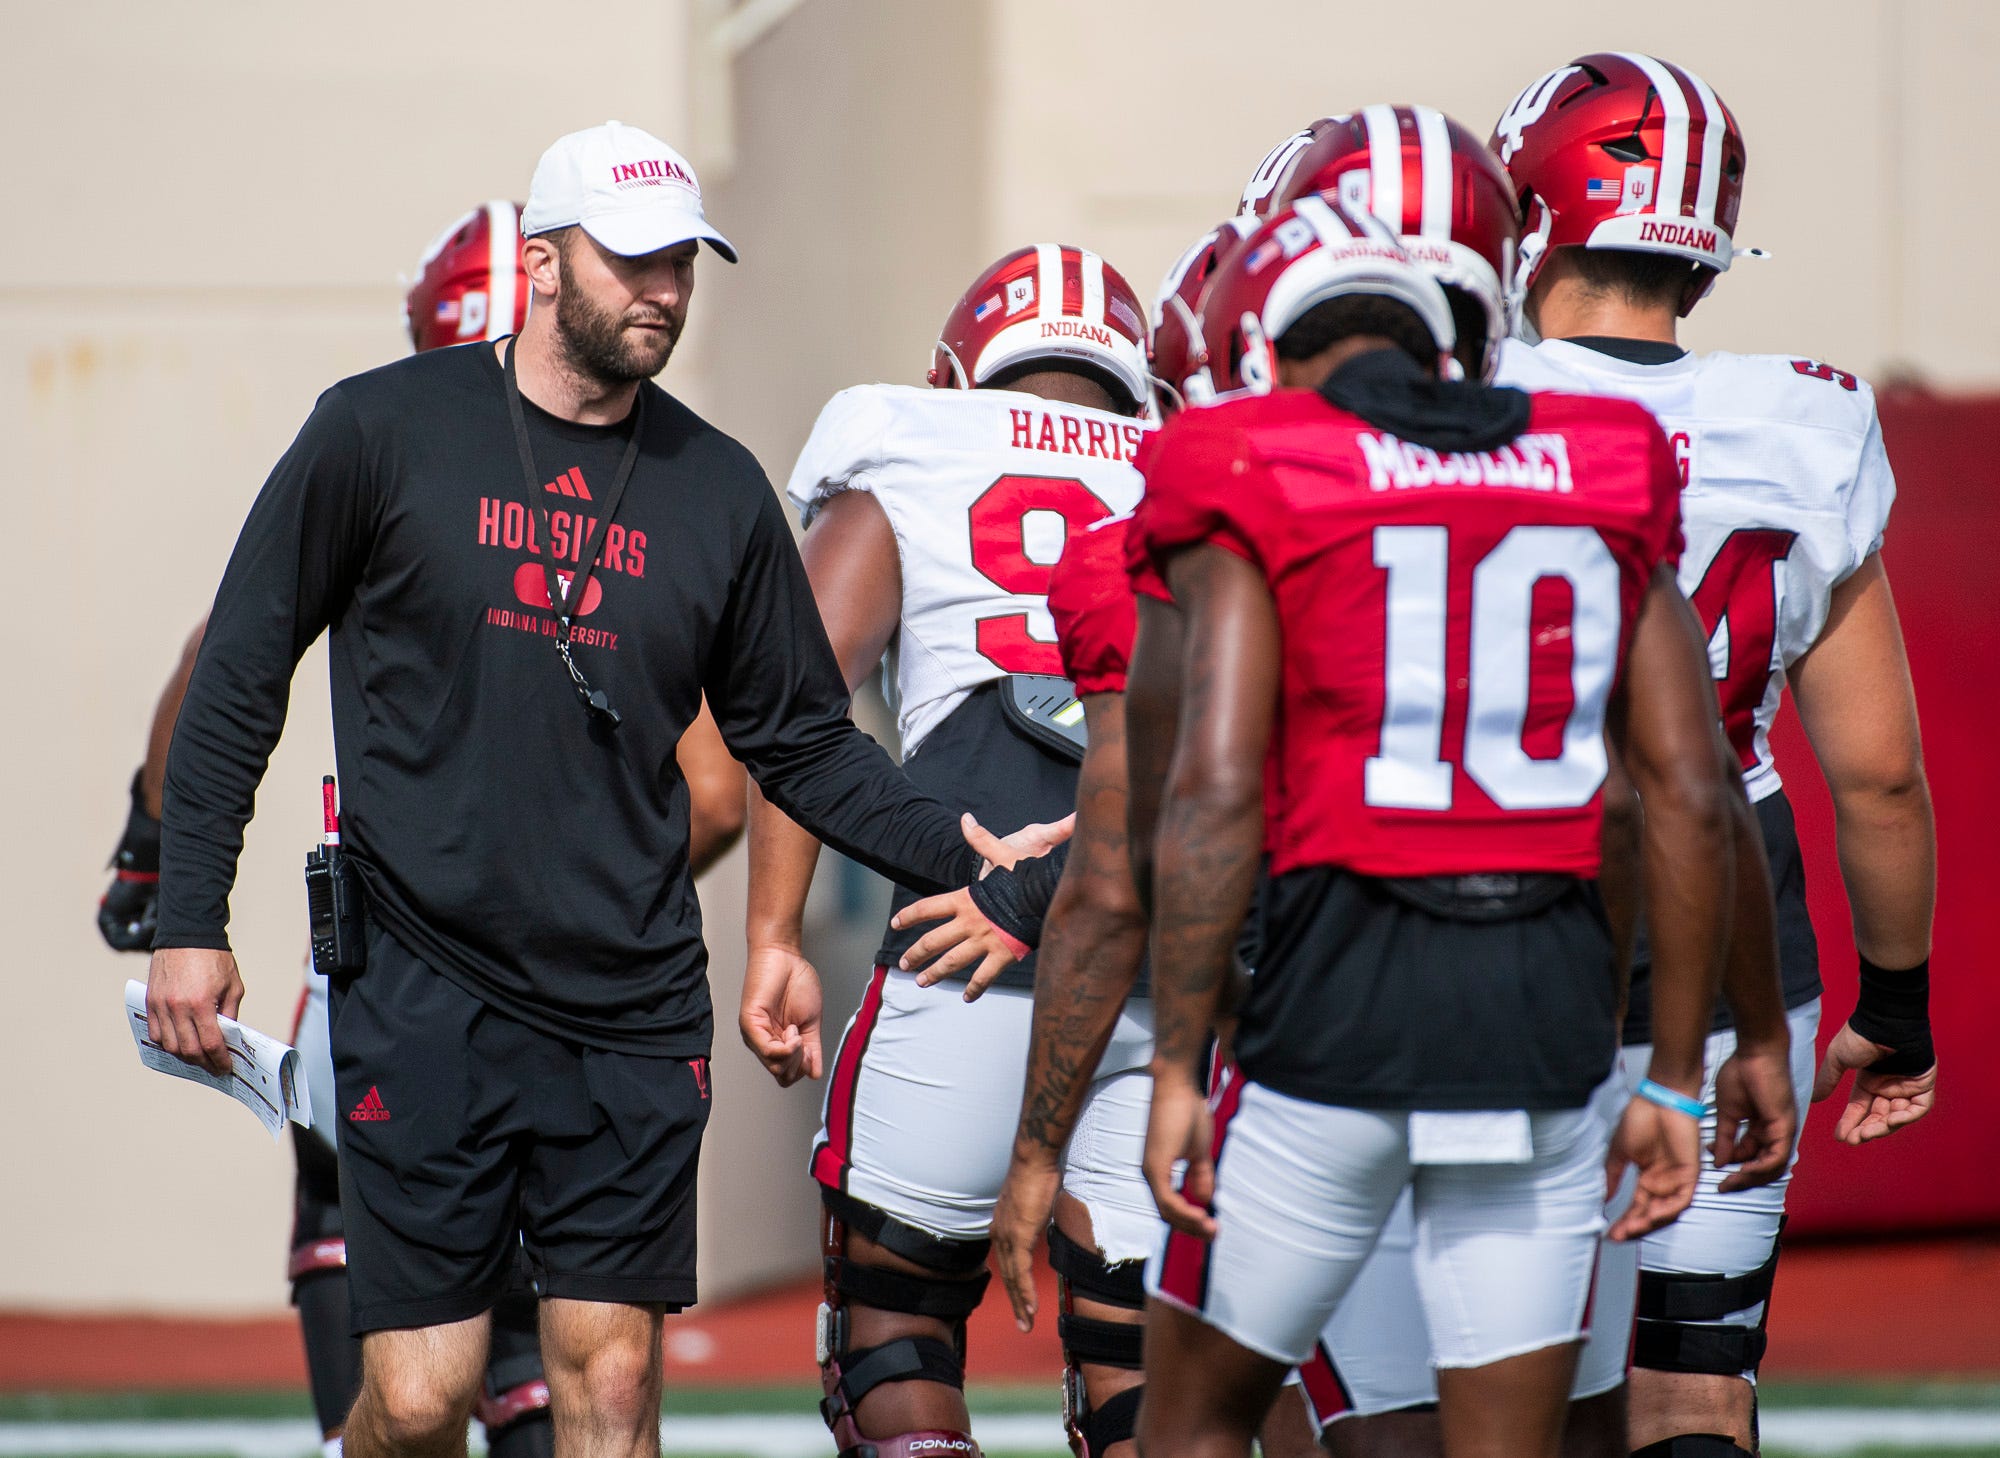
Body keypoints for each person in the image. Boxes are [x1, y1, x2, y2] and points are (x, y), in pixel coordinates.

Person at [144, 121, 1063, 1458]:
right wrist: (189, 915)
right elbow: (240, 671)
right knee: (417, 1397)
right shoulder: (379, 430)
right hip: (420, 984)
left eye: (683, 264)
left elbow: (802, 740)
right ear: (540, 261)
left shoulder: (719, 489)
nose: (665, 291)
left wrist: (961, 850)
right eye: (632, 260)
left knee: (615, 1385)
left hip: (630, 1003)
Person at [97, 200, 753, 1458]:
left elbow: (218, 665)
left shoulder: (402, 438)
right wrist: (581, 887)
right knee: (466, 1395)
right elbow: (720, 792)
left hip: (411, 993)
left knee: (447, 1400)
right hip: (489, 994)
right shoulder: (555, 474)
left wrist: (153, 858)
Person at [1123, 196, 1749, 1458]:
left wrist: (1181, 1059)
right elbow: (1681, 794)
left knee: (1192, 1426)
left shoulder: (1251, 458)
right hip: (1540, 1023)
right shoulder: (1603, 455)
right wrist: (1673, 1082)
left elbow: (1213, 788)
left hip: (1332, 1011)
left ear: (1264, 347)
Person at [1486, 53, 1938, 1458]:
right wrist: (1901, 999)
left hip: (1485, 901)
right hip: (1740, 908)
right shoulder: (1807, 417)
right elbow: (1876, 776)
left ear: (1529, 208)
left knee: (1500, 1375)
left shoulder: (1444, 399)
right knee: (1691, 1382)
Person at [736, 242, 1158, 1458]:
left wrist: (773, 935)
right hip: (1157, 954)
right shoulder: (1198, 472)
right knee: (1135, 1364)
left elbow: (794, 704)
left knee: (895, 1336)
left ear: (959, 367)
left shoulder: (906, 448)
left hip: (965, 939)